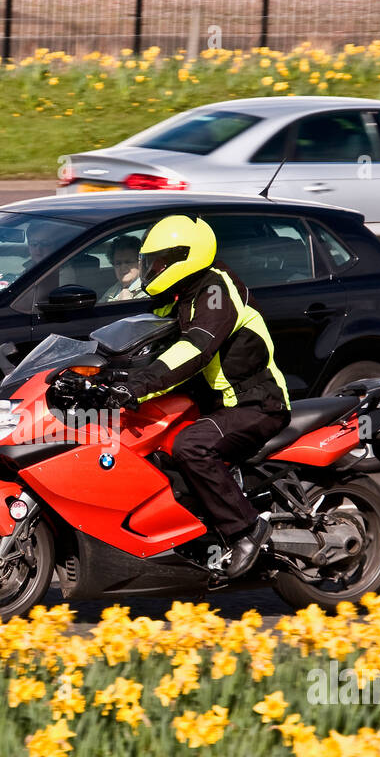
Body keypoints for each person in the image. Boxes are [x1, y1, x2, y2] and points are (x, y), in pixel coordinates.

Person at [101, 214, 291, 579]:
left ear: (182, 258)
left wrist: (139, 385)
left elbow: (195, 348)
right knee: (147, 445)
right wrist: (102, 377)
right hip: (215, 406)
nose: (149, 269)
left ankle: (246, 531)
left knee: (191, 446)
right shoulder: (174, 298)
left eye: (156, 262)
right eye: (147, 262)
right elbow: (149, 352)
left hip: (256, 403)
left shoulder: (215, 289)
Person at [0, 220, 56, 287]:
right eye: (33, 244)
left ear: (58, 244)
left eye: (45, 243)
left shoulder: (59, 271)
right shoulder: (34, 267)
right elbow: (14, 286)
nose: (38, 249)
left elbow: (23, 295)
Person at [101, 234, 144, 302]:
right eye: (118, 263)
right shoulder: (111, 291)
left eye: (128, 262)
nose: (123, 267)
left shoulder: (147, 290)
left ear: (140, 263)